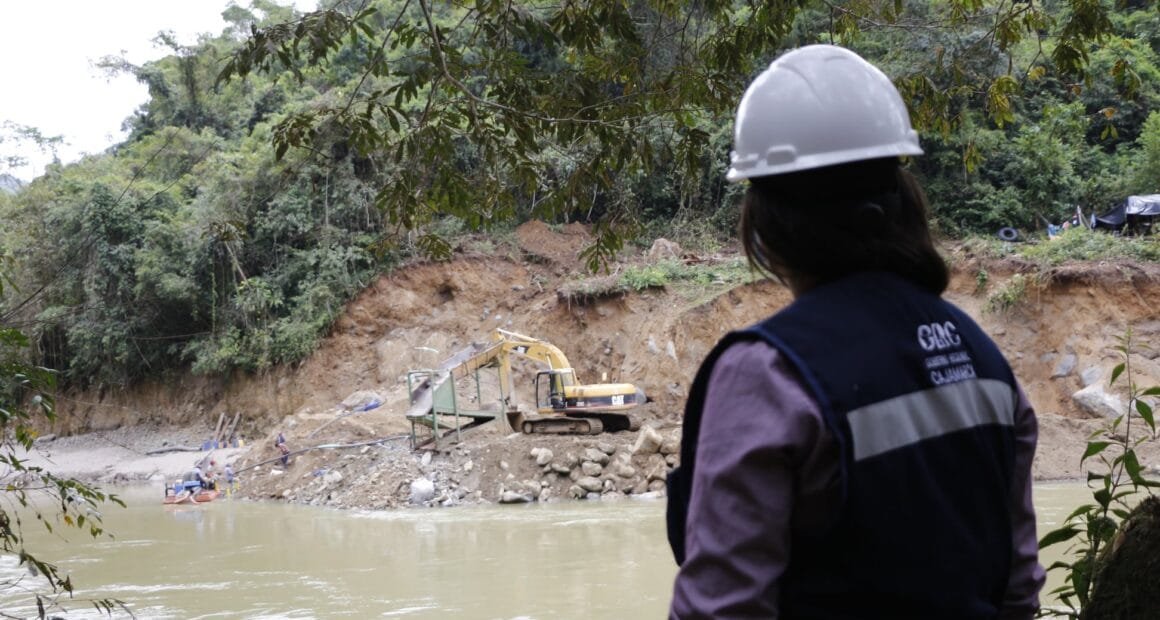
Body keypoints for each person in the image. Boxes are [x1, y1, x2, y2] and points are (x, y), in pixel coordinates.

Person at [666, 44, 1044, 618]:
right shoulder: (980, 354)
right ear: (901, 203)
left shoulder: (767, 373)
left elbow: (722, 607)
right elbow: (1018, 587)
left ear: (765, 226)